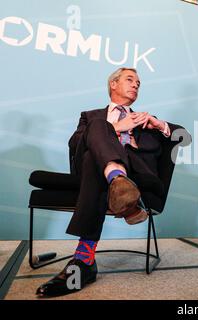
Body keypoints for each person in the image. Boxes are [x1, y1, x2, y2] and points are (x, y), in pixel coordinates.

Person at [36, 67, 175, 297]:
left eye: (138, 83)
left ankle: (84, 260)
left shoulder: (145, 119)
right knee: (98, 132)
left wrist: (159, 125)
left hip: (133, 171)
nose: (136, 85)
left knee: (95, 157)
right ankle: (119, 186)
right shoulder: (91, 116)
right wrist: (116, 128)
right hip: (94, 166)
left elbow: (184, 138)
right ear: (113, 84)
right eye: (130, 80)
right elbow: (74, 145)